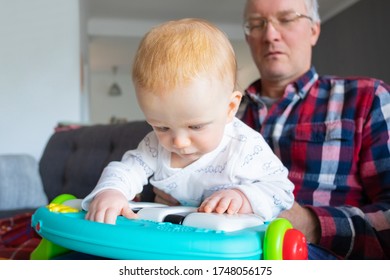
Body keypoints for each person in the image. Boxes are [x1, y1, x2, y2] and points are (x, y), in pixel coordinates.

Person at [155, 0, 390, 260]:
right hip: (208, 246)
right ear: (247, 36)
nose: (269, 35)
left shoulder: (367, 98)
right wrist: (176, 197)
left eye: (287, 19)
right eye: (257, 24)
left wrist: (311, 224)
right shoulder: (211, 114)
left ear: (313, 30)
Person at [81, 18, 295, 226]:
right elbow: (126, 170)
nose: (179, 142)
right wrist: (111, 192)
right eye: (162, 127)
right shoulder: (154, 145)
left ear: (230, 108)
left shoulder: (244, 146)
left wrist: (244, 197)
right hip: (180, 236)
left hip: (229, 242)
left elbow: (282, 190)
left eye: (196, 126)